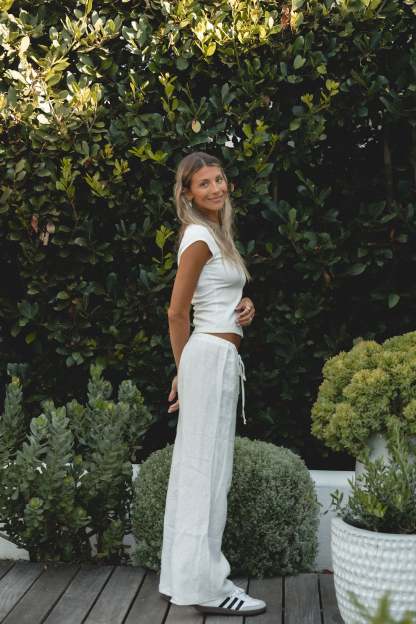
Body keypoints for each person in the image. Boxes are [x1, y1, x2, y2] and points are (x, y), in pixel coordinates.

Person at [158, 151, 267, 617]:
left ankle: (182, 579)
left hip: (216, 359)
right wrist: (184, 371)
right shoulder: (199, 237)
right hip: (207, 362)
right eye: (204, 183)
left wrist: (245, 307)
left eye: (219, 179)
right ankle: (207, 587)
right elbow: (176, 312)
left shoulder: (216, 235)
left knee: (199, 472)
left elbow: (216, 299)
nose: (216, 188)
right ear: (188, 193)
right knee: (207, 476)